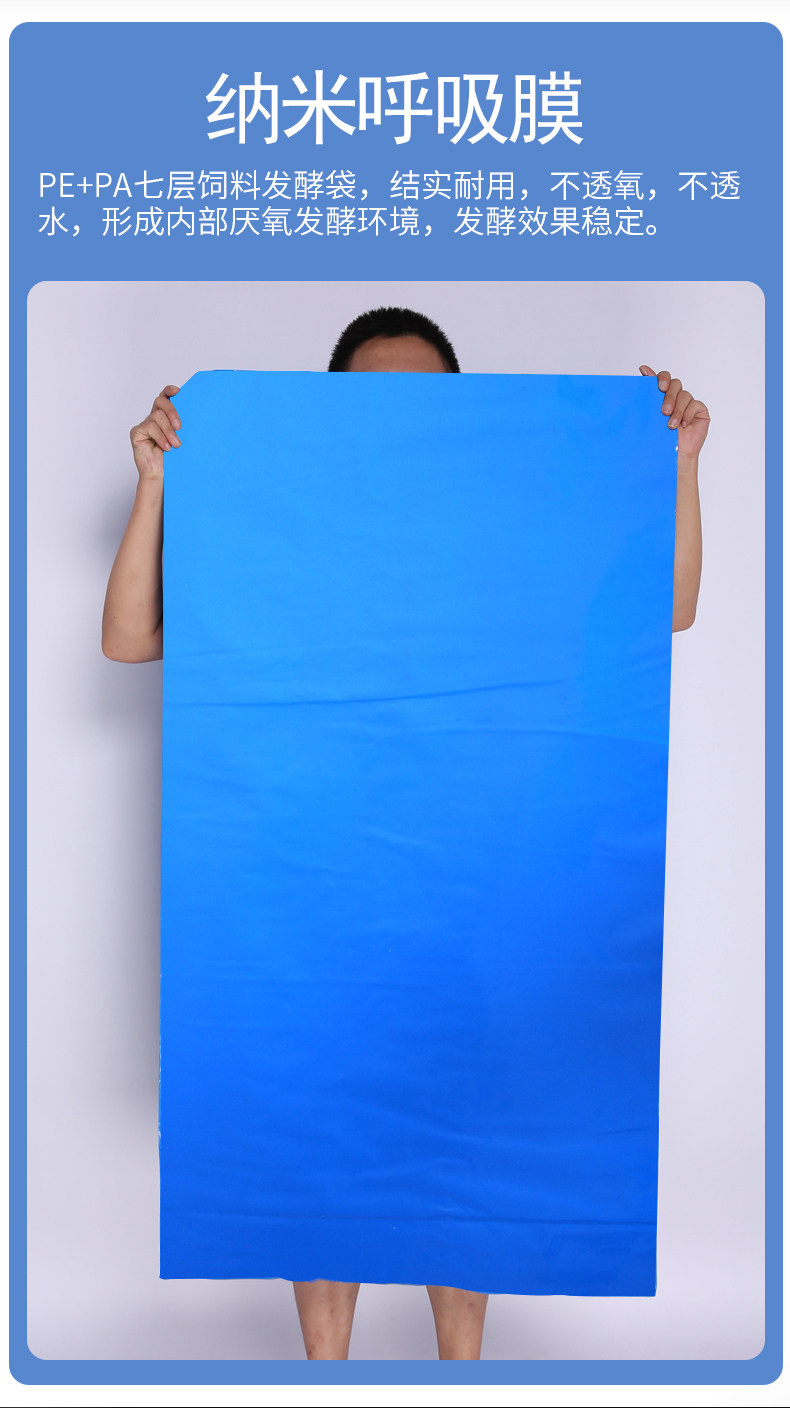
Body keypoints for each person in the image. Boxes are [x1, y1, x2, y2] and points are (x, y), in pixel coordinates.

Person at [102, 305, 709, 1360]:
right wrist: (156, 481)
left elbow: (662, 610)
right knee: (319, 1125)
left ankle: (459, 1375)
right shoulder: (282, 533)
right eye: (370, 402)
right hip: (312, 882)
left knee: (463, 1126)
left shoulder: (504, 537)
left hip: (474, 881)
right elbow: (128, 637)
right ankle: (325, 1376)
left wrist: (680, 465)